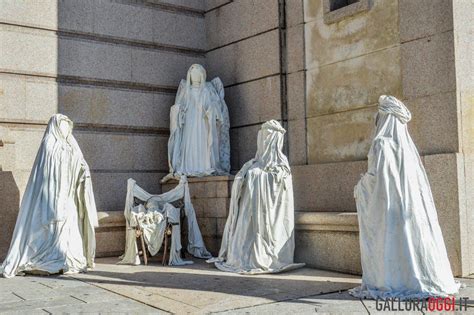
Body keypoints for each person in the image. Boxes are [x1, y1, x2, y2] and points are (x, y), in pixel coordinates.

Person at [350, 95, 460, 299]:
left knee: (393, 245)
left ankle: (391, 279)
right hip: (409, 210)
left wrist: (361, 186)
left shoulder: (382, 144)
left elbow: (377, 180)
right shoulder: (408, 148)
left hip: (389, 209)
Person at [1, 114, 98, 278]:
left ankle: (65, 258)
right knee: (51, 230)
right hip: (51, 198)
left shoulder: (70, 145)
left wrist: (81, 168)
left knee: (68, 230)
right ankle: (49, 258)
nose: (66, 131)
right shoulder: (49, 144)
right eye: (63, 127)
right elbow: (47, 172)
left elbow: (80, 163)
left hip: (67, 198)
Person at [210, 120, 304, 274]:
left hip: (270, 215)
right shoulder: (252, 164)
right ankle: (247, 254)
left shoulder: (282, 166)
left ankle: (268, 255)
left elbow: (281, 193)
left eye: (268, 137)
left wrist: (258, 175)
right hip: (250, 215)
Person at [164, 64, 230, 182]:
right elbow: (179, 106)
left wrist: (210, 110)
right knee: (190, 143)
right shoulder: (186, 90)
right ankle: (189, 166)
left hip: (203, 122)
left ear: (202, 75)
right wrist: (179, 111)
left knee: (202, 142)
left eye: (197, 74)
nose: (195, 76)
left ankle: (204, 166)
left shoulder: (207, 90)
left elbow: (216, 106)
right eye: (193, 73)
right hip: (190, 122)